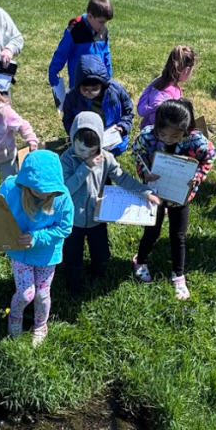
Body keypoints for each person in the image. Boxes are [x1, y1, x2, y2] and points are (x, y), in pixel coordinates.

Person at [0, 150, 73, 347]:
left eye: (47, 190)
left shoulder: (61, 198)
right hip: (19, 251)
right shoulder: (11, 189)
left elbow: (65, 227)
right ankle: (15, 317)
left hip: (46, 253)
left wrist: (37, 238)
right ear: (25, 183)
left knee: (42, 294)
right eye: (36, 189)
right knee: (26, 293)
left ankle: (40, 324)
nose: (42, 194)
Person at [61, 112, 160, 296]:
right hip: (72, 219)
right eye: (80, 150)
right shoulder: (67, 159)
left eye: (91, 151)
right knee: (72, 258)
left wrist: (145, 192)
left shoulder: (105, 157)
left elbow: (122, 177)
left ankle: (96, 275)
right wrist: (85, 167)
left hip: (97, 217)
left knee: (102, 255)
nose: (84, 155)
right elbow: (66, 188)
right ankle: (73, 286)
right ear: (72, 139)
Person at [131, 98, 216, 300]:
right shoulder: (147, 137)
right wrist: (144, 172)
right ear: (157, 127)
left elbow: (210, 155)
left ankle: (178, 274)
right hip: (156, 192)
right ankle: (140, 260)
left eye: (175, 135)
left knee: (179, 236)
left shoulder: (197, 141)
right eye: (163, 134)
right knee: (151, 230)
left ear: (186, 130)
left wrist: (197, 177)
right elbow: (136, 151)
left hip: (180, 194)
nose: (168, 139)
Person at [61, 54, 134, 155]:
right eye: (85, 89)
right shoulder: (72, 97)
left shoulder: (115, 91)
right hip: (86, 139)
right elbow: (68, 119)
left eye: (95, 89)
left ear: (102, 85)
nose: (89, 93)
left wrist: (123, 127)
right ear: (78, 86)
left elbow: (128, 111)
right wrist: (75, 135)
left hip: (113, 139)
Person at [48, 0, 113, 105]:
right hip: (79, 86)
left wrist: (108, 77)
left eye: (105, 22)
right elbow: (61, 54)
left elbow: (106, 54)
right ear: (90, 16)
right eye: (101, 22)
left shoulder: (103, 31)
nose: (103, 25)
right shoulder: (74, 31)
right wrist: (53, 74)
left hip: (98, 85)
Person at [136, 45, 197, 130]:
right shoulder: (166, 92)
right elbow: (157, 118)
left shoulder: (161, 80)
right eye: (191, 71)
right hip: (157, 136)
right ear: (186, 70)